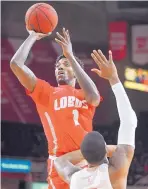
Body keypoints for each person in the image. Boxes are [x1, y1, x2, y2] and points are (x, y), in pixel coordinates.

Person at [10, 28, 100, 189]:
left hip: (86, 160)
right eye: (57, 66)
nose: (59, 68)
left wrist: (70, 55)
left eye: (65, 65)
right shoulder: (47, 93)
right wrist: (32, 36)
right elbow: (16, 64)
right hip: (59, 163)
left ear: (76, 71)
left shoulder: (84, 95)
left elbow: (94, 97)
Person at [54, 50, 138, 189]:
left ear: (84, 157)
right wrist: (114, 78)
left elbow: (59, 161)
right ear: (105, 152)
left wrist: (95, 150)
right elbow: (129, 121)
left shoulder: (75, 178)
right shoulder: (115, 172)